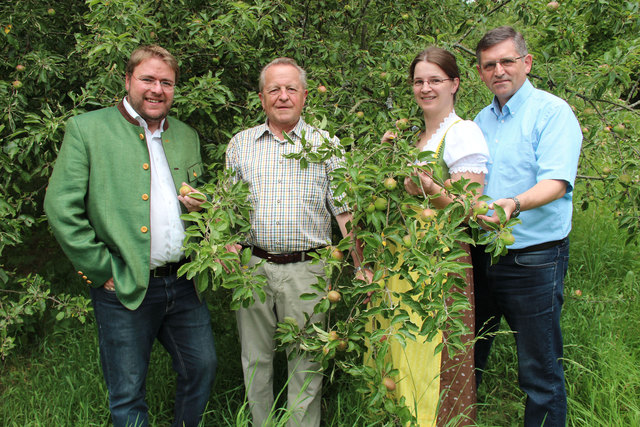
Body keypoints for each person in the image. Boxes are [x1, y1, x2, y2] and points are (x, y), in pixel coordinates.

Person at [44, 45, 217, 427]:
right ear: (127, 80)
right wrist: (100, 269)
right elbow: (60, 208)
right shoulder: (87, 129)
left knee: (201, 368)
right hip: (123, 285)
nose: (157, 89)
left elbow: (198, 202)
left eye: (166, 82)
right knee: (127, 392)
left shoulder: (186, 135)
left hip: (185, 282)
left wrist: (203, 211)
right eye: (148, 79)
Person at [225, 57, 371, 427]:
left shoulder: (327, 146)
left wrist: (361, 264)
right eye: (274, 89)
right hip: (252, 267)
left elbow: (344, 213)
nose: (283, 96)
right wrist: (224, 245)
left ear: (305, 96)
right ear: (262, 98)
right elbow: (226, 209)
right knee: (254, 359)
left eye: (291, 88)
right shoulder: (241, 145)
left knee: (307, 360)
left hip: (310, 270)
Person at [471, 26, 582, 426]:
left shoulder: (552, 113)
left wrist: (513, 204)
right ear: (480, 73)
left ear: (526, 62)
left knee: (539, 369)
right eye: (489, 65)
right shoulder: (481, 120)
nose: (498, 70)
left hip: (533, 259)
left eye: (506, 61)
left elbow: (556, 182)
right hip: (482, 254)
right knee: (469, 355)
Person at [378, 47, 489, 426]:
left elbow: (468, 208)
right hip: (404, 260)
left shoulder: (463, 133)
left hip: (438, 260)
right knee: (404, 347)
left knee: (436, 349)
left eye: (434, 80)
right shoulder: (415, 135)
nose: (425, 88)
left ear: (454, 83)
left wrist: (428, 189)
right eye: (419, 81)